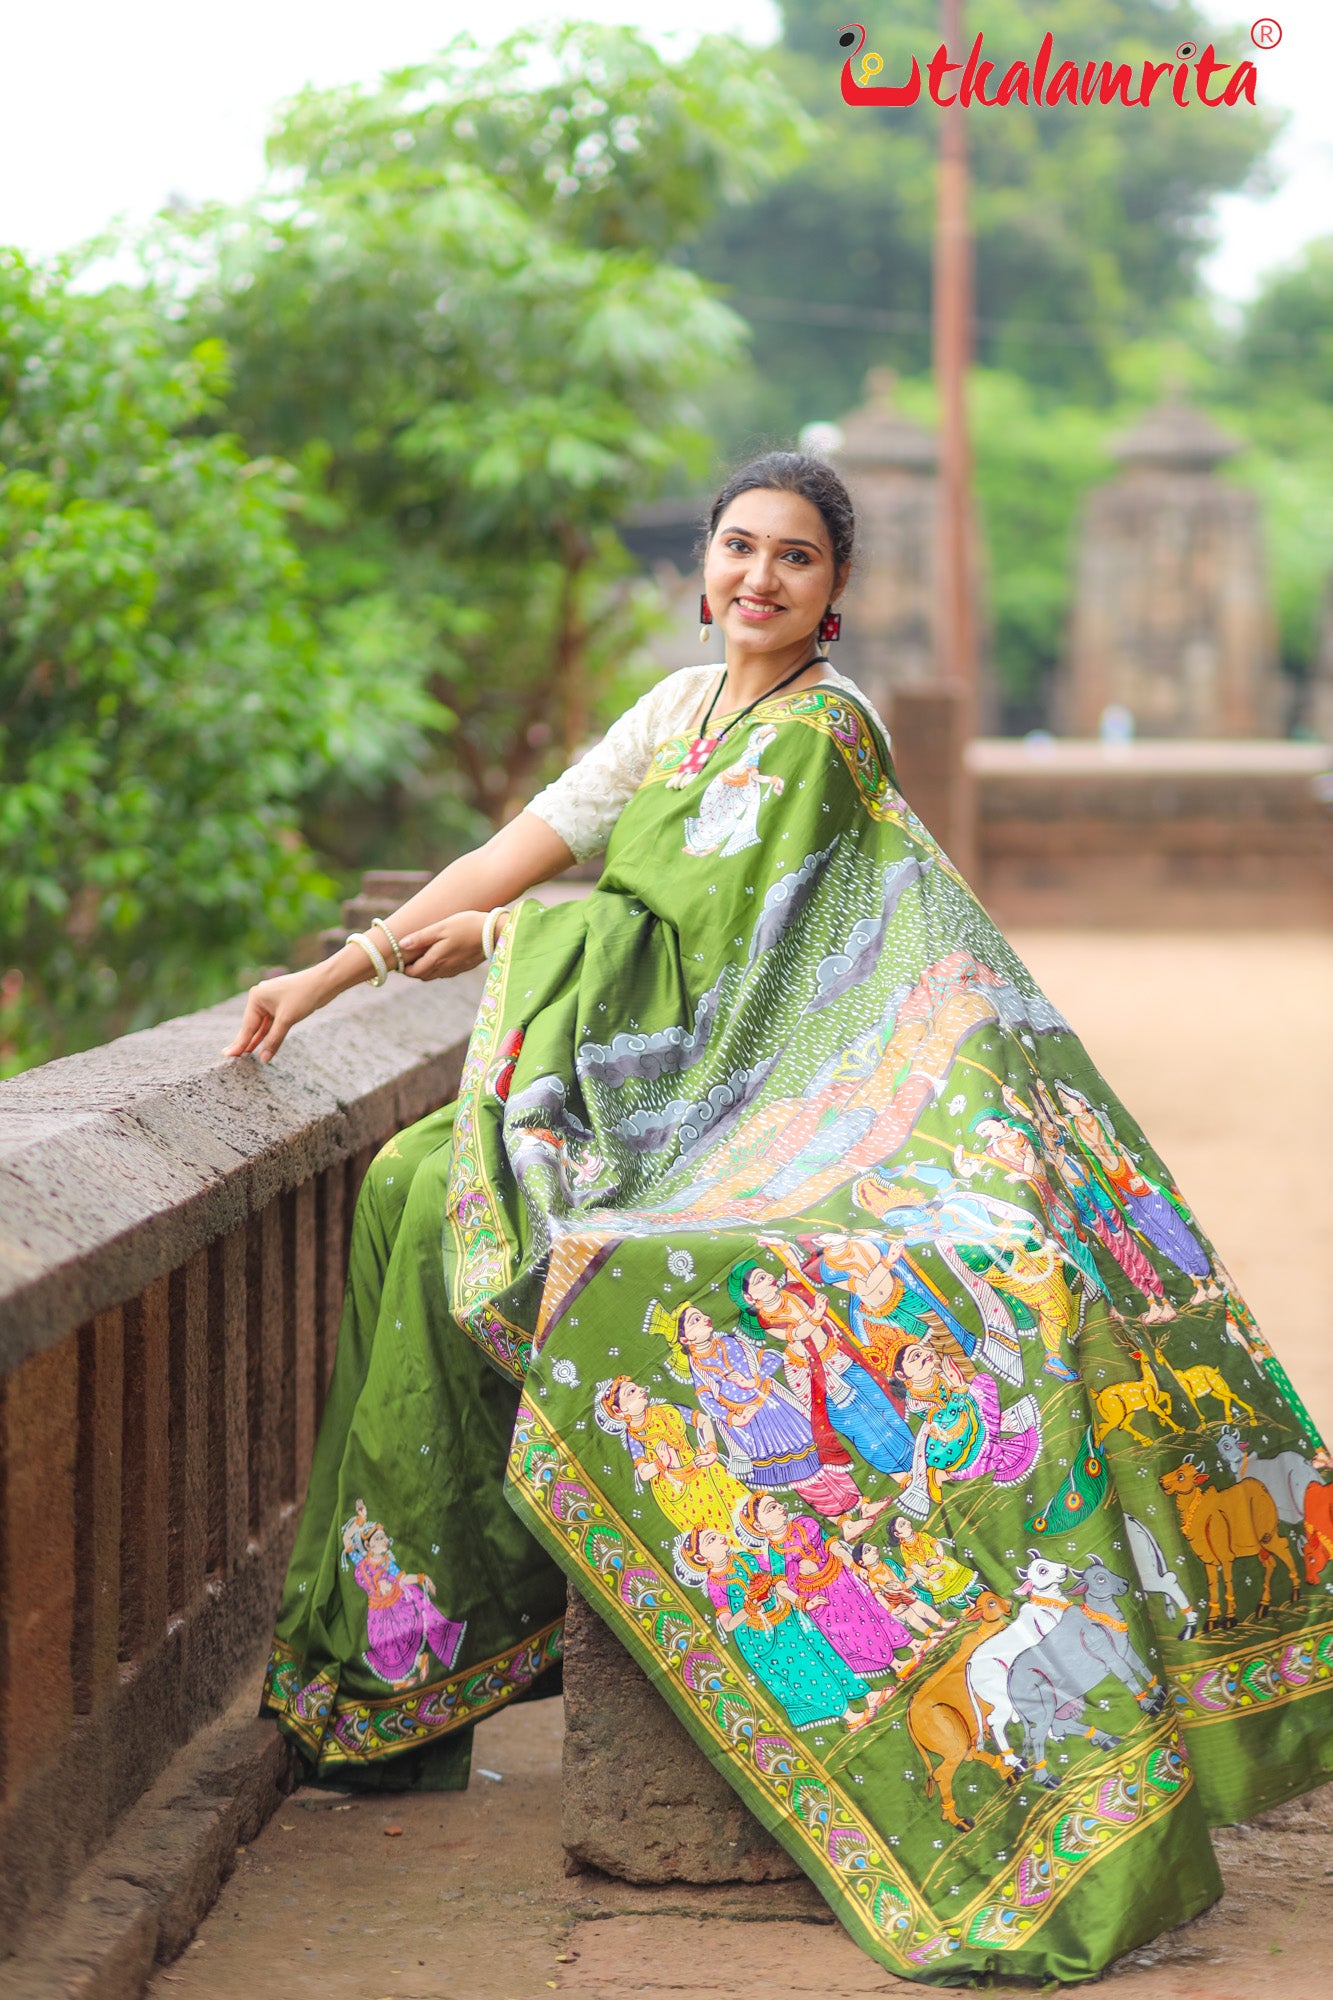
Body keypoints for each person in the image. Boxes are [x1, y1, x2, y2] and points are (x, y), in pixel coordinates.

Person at [227, 452, 1331, 1985]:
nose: (759, 577)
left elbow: (730, 952)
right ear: (702, 571)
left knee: (473, 1198)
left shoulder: (828, 731)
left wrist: (513, 938)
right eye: (738, 549)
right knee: (411, 1183)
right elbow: (515, 852)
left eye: (794, 558)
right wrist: (329, 974)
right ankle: (424, 1660)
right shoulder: (672, 717)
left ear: (833, 594)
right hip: (674, 1078)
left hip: (763, 1094)